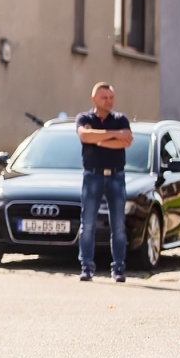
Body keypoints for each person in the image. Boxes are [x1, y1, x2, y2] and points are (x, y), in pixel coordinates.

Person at [76, 81, 134, 282]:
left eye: (111, 97)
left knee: (118, 224)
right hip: (93, 175)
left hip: (116, 175)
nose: (109, 101)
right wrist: (113, 136)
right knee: (88, 223)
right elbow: (85, 136)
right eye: (104, 98)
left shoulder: (120, 119)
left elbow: (126, 141)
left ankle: (118, 268)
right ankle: (87, 267)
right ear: (94, 99)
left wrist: (99, 139)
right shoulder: (84, 118)